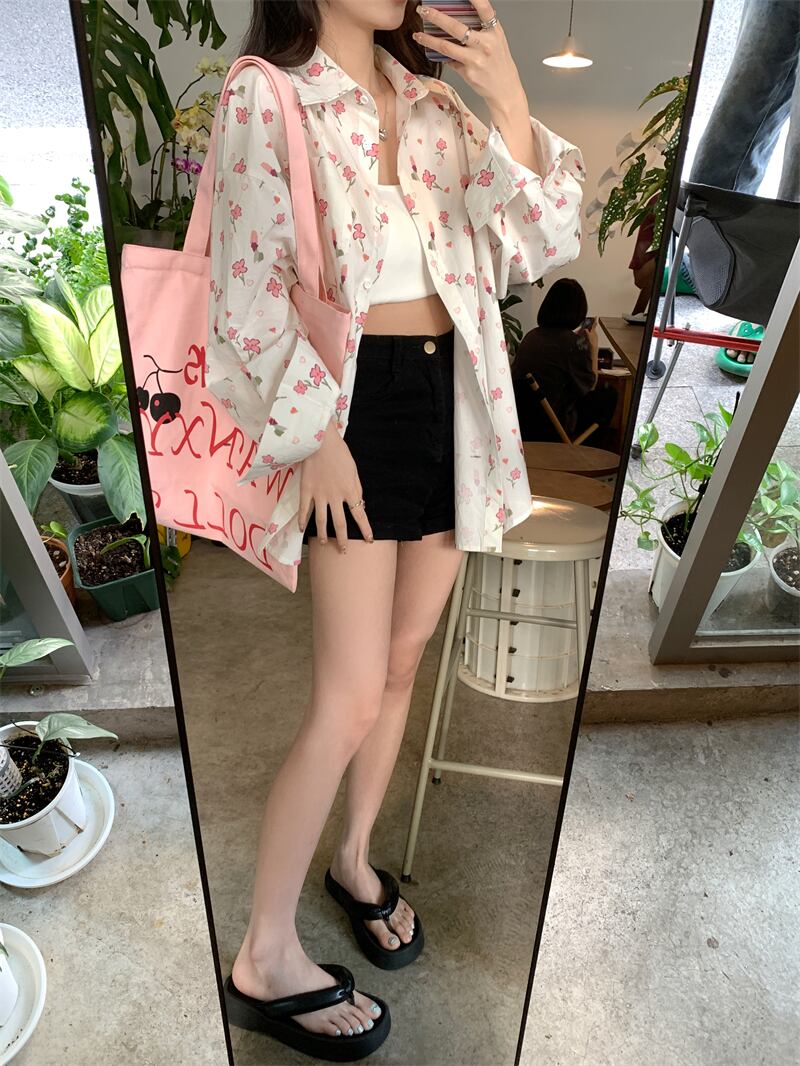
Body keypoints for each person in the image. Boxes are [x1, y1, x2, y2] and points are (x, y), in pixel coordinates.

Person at [206, 1, 584, 1059]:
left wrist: (506, 92)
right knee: (345, 693)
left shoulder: (431, 105)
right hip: (347, 407)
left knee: (403, 659)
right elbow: (242, 293)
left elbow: (537, 241)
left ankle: (354, 858)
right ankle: (263, 955)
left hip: (454, 396)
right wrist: (315, 434)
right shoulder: (268, 95)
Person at [512, 279, 616, 448]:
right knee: (608, 395)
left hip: (522, 423)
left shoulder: (531, 336)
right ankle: (585, 454)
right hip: (553, 426)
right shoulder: (574, 343)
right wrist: (593, 347)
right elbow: (590, 385)